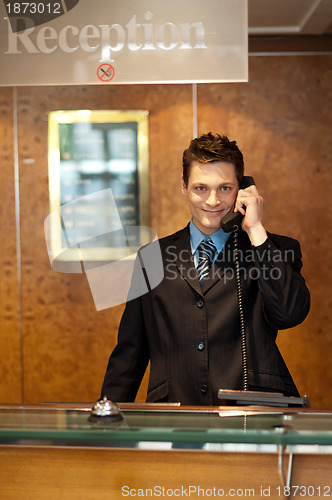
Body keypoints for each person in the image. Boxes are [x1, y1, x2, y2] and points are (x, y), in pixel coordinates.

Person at [101, 132, 310, 405]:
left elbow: (289, 314)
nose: (212, 201)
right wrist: (105, 416)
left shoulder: (274, 249)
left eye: (225, 188)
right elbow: (131, 352)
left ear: (243, 189)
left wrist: (256, 230)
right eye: (201, 188)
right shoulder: (151, 258)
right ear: (184, 185)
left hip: (254, 415)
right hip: (177, 415)